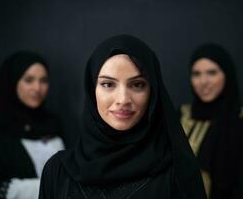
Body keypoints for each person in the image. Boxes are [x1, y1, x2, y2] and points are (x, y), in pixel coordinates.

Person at [39, 34, 206, 199]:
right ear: (92, 91)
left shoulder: (178, 173)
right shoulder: (57, 171)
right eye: (108, 84)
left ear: (153, 92)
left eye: (137, 85)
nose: (123, 99)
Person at [180, 43, 243, 199]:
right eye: (196, 74)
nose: (203, 81)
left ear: (226, 74)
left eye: (212, 72)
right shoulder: (182, 114)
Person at [0, 51, 65, 199]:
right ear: (12, 82)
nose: (37, 88)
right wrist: (52, 187)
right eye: (29, 80)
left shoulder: (53, 123)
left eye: (43, 80)